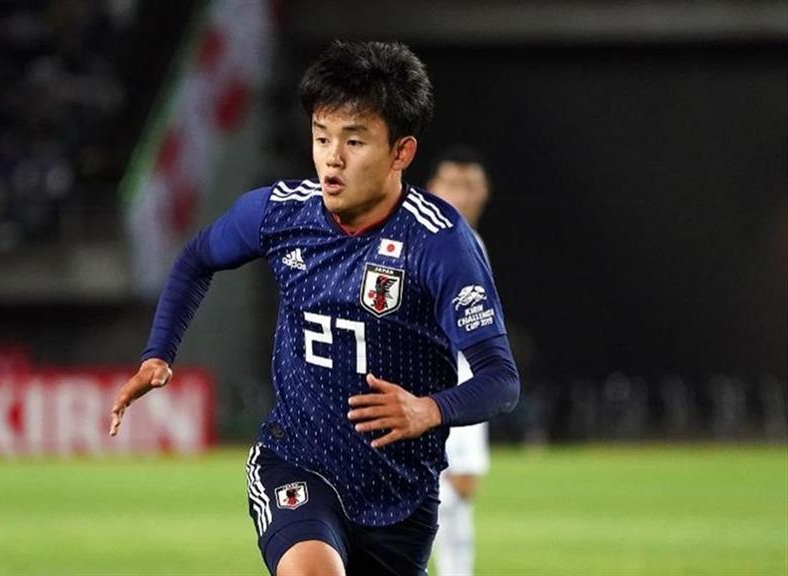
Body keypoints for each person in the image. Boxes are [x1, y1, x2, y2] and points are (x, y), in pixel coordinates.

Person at [110, 41, 519, 576]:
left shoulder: (439, 243)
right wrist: (158, 353)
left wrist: (428, 409)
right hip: (296, 463)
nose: (332, 157)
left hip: (401, 497)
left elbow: (500, 380)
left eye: (355, 141)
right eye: (322, 137)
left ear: (401, 152)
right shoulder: (281, 213)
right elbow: (196, 259)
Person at [426, 147, 494, 576]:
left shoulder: (469, 241)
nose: (462, 194)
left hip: (468, 378)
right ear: (433, 187)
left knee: (459, 488)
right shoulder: (432, 239)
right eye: (453, 184)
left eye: (470, 185)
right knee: (445, 487)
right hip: (439, 380)